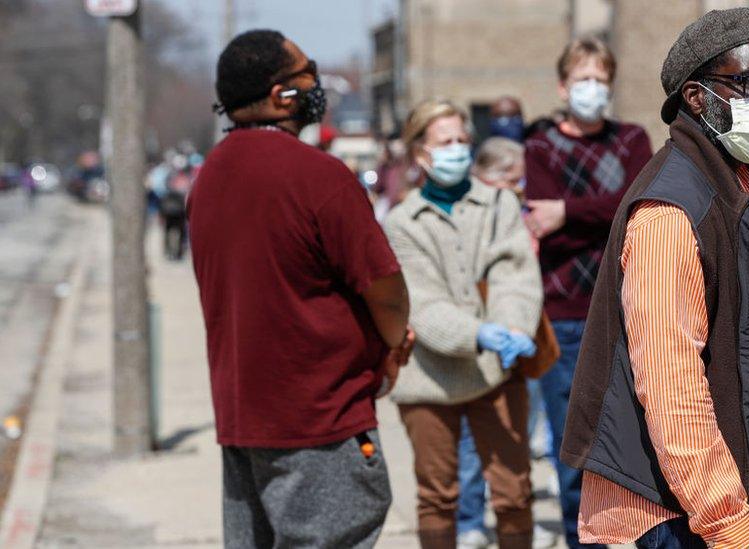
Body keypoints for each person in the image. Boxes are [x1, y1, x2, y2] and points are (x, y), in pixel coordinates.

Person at [560, 8, 749, 549]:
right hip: (674, 516)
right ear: (696, 98)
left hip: (708, 508)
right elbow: (672, 389)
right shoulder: (672, 212)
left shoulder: (727, 191)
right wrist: (730, 525)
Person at [188, 29, 413, 548]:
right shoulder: (319, 177)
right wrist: (394, 344)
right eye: (306, 74)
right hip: (321, 423)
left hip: (243, 421)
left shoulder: (208, 177)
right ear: (280, 95)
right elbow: (386, 289)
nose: (317, 85)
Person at [383, 99, 542, 549]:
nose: (456, 150)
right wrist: (477, 333)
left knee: (514, 492)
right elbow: (421, 301)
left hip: (497, 369)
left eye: (461, 140)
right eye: (444, 142)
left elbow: (515, 275)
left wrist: (511, 327)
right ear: (420, 155)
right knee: (437, 495)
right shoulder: (401, 222)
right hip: (429, 377)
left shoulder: (497, 204)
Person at [523, 36, 653, 549]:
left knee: (636, 439)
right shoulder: (539, 148)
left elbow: (637, 201)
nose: (592, 90)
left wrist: (571, 212)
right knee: (572, 446)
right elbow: (541, 218)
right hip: (567, 315)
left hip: (629, 309)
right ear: (562, 86)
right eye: (583, 80)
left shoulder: (631, 140)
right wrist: (607, 212)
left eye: (601, 80)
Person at [453, 137, 558, 549]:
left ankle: (513, 516)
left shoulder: (518, 211)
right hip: (479, 335)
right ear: (490, 177)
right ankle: (469, 520)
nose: (520, 188)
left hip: (522, 335)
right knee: (469, 438)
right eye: (514, 180)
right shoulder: (470, 212)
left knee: (518, 431)